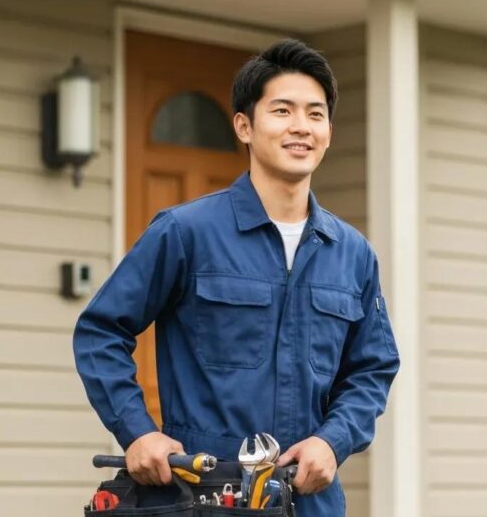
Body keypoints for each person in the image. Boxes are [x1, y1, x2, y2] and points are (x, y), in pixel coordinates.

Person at [73, 39, 400, 516]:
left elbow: (372, 367)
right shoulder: (186, 233)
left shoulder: (352, 254)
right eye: (282, 111)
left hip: (309, 503)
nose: (300, 128)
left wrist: (333, 442)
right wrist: (137, 431)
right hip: (202, 496)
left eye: (315, 114)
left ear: (329, 130)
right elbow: (101, 330)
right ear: (244, 126)